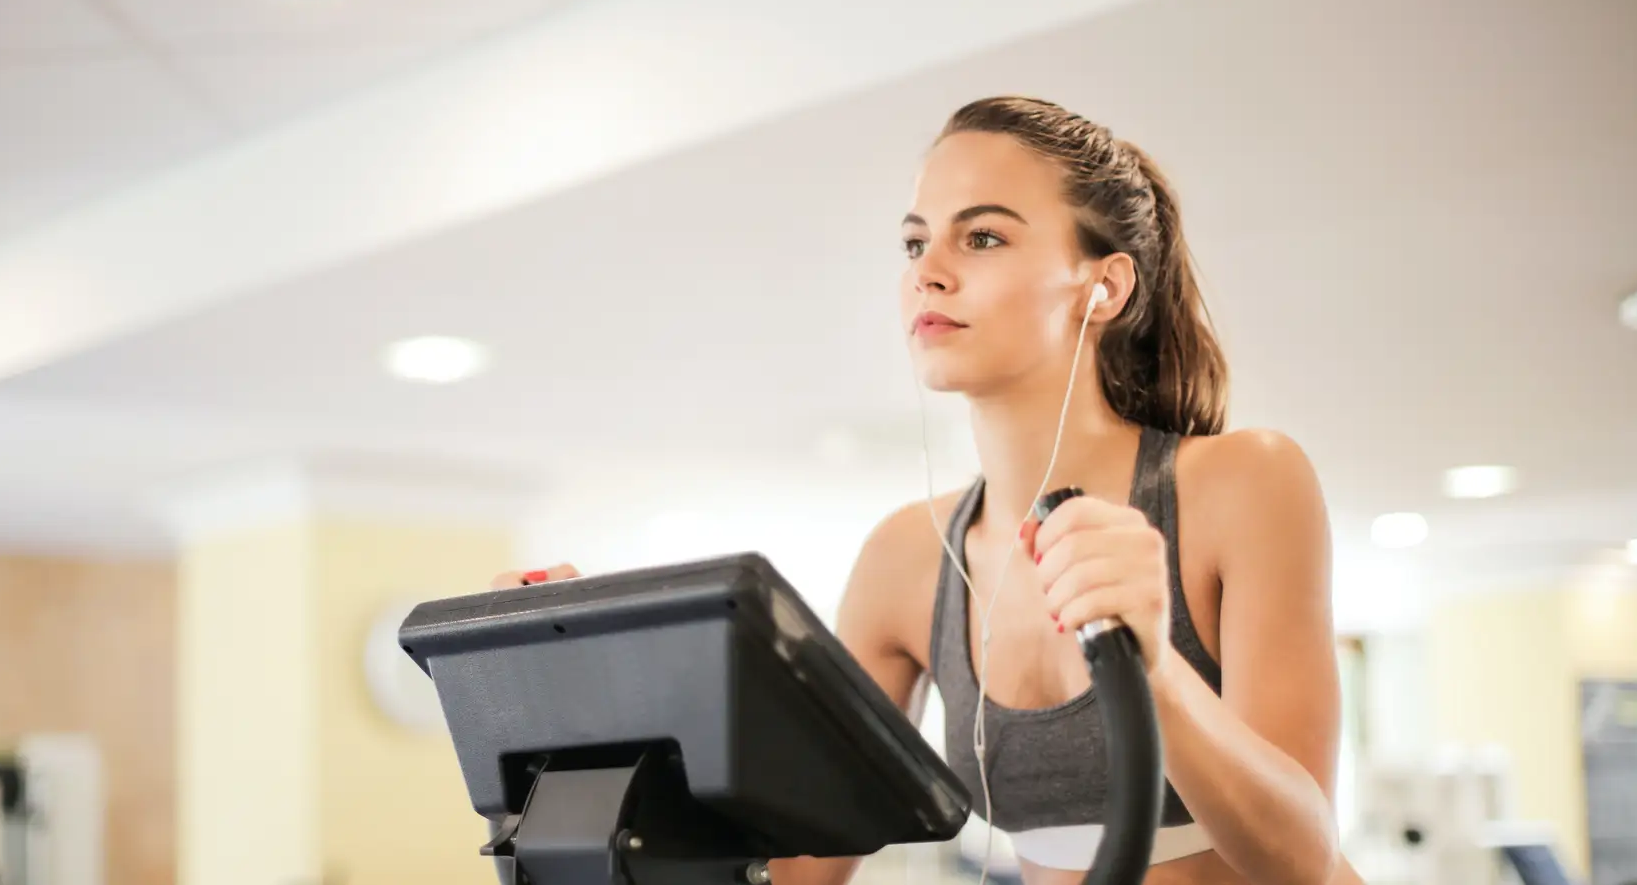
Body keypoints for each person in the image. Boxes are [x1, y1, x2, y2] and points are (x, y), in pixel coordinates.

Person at [496, 96, 1350, 885]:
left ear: (1105, 286)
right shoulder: (907, 557)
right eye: (915, 242)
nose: (928, 272)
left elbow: (1303, 856)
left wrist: (1153, 663)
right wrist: (584, 698)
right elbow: (798, 873)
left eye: (981, 237)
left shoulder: (1241, 482)